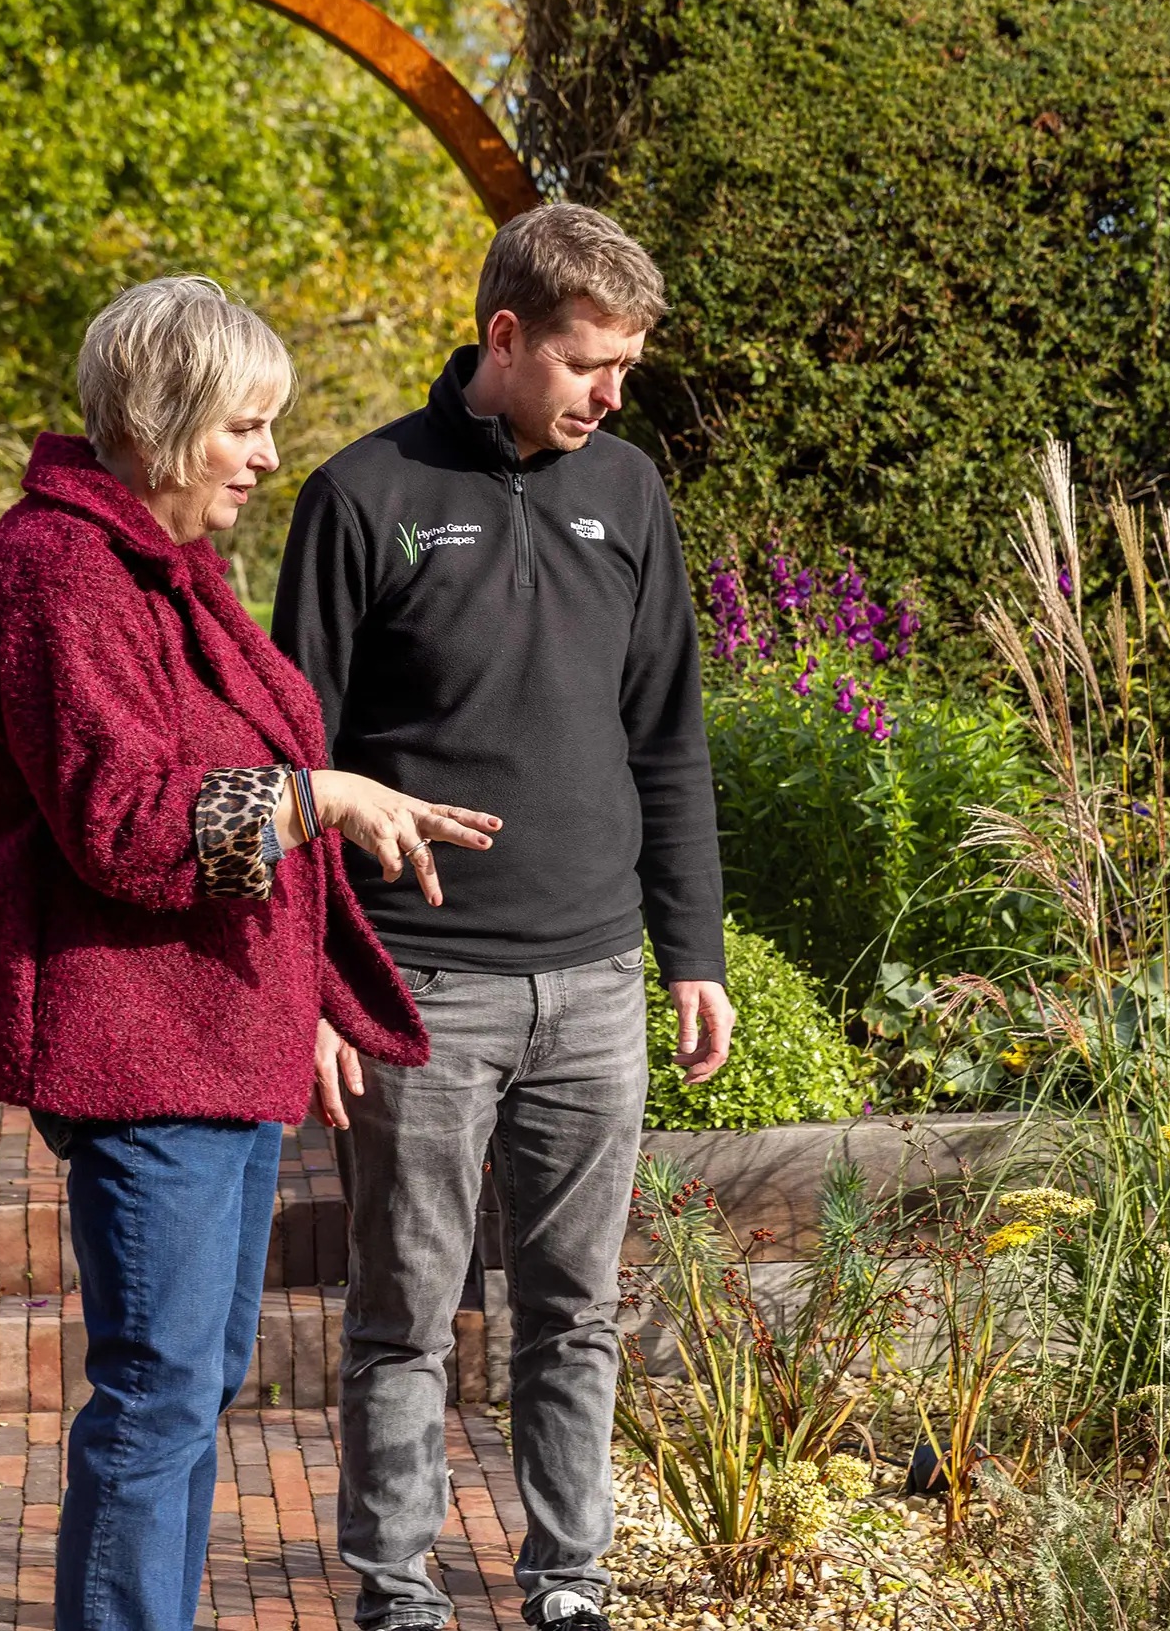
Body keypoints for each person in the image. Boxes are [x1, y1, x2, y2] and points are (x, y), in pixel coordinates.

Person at [0, 275, 500, 1631]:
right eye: (242, 427)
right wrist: (322, 798)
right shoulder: (59, 576)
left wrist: (304, 990)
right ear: (155, 421)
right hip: (140, 1051)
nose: (266, 457)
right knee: (158, 1394)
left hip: (217, 1037)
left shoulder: (162, 564)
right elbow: (124, 827)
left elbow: (219, 783)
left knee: (190, 1385)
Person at [274, 203, 735, 1631]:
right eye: (590, 362)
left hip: (594, 981)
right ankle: (394, 1586)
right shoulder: (363, 497)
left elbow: (667, 737)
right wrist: (312, 987)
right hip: (418, 985)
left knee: (574, 1311)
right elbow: (296, 768)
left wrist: (692, 952)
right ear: (506, 336)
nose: (612, 393)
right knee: (404, 1311)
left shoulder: (631, 494)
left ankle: (569, 1580)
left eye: (628, 367)